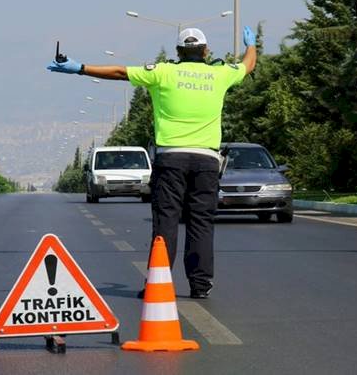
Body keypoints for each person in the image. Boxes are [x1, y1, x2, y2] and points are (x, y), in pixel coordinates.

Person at [47, 26, 257, 298]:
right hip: (207, 160)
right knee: (201, 223)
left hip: (171, 160)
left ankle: (159, 283)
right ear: (206, 51)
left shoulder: (162, 72)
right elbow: (247, 65)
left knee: (166, 221)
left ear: (179, 52)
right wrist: (250, 45)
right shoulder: (220, 74)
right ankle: (200, 285)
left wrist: (80, 68)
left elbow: (121, 72)